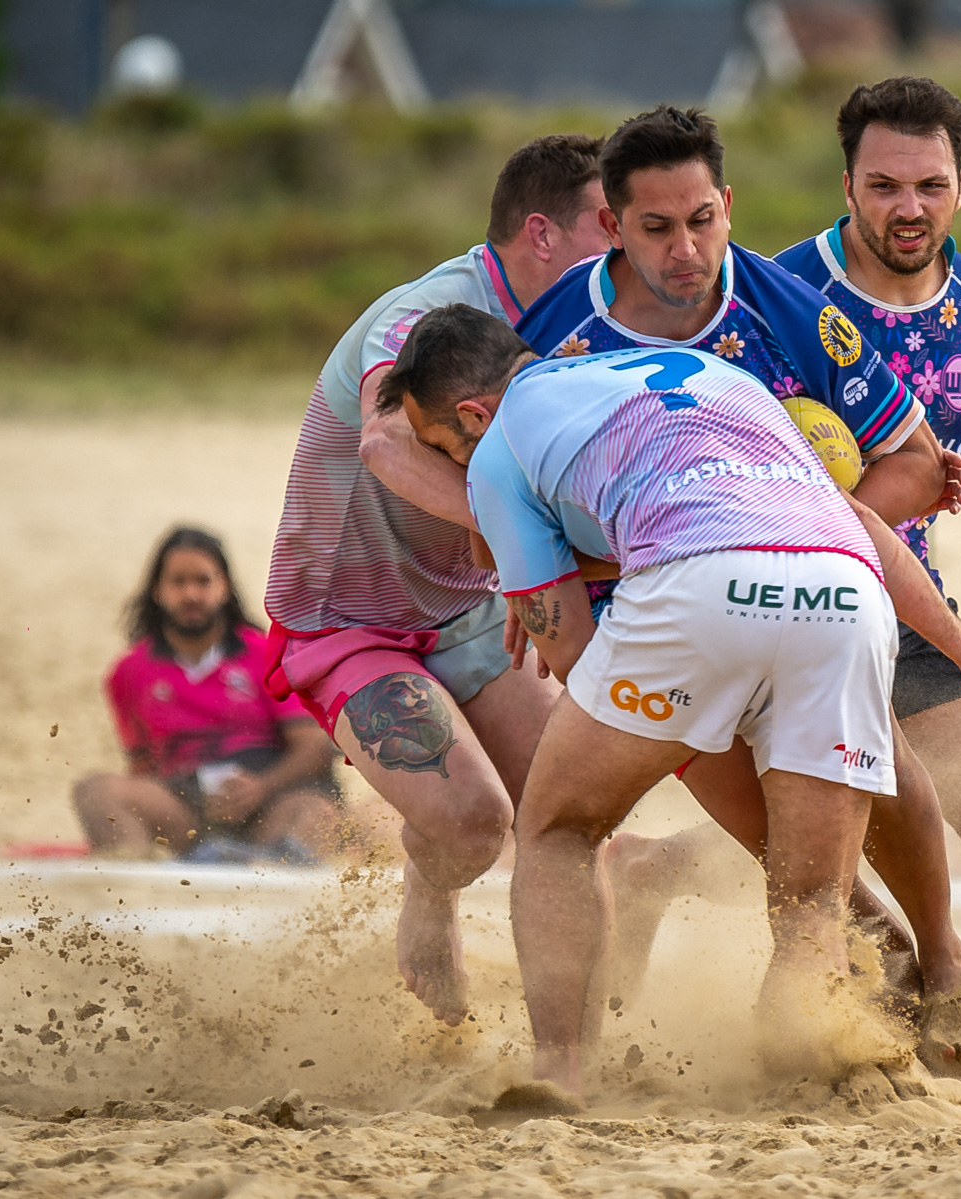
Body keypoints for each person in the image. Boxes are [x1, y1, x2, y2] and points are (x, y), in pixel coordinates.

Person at [376, 304, 961, 1097]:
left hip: (694, 588)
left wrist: (679, 718)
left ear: (472, 412)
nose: (456, 464)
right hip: (843, 587)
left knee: (559, 826)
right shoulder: (721, 378)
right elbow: (857, 524)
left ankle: (559, 1068)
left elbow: (567, 649)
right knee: (812, 903)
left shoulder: (501, 445)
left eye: (444, 447)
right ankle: (865, 1032)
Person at [517, 106, 961, 997]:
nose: (685, 249)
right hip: (658, 620)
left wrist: (797, 518)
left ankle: (948, 966)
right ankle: (881, 984)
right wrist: (535, 582)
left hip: (804, 592)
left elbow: (917, 465)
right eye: (656, 227)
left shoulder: (785, 308)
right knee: (784, 853)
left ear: (728, 205)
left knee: (889, 780)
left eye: (702, 220)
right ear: (611, 225)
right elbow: (504, 479)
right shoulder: (557, 335)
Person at [262, 134, 611, 1026]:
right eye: (607, 226)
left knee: (572, 813)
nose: (624, 249)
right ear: (542, 234)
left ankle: (574, 1048)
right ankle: (430, 884)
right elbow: (383, 442)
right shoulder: (433, 311)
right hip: (348, 614)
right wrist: (523, 541)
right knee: (469, 823)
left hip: (462, 606)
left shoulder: (580, 318)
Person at [774, 75, 961, 941]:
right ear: (848, 187)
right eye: (885, 185)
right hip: (783, 610)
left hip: (911, 608)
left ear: (960, 188)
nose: (910, 208)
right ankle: (650, 874)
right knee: (840, 835)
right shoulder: (784, 294)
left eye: (931, 185)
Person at [74, 527, 342, 862]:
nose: (191, 594)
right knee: (96, 792)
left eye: (202, 581)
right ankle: (136, 883)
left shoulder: (268, 653)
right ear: (157, 591)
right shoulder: (129, 671)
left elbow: (315, 748)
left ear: (225, 587)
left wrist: (260, 788)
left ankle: (265, 863)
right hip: (186, 803)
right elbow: (141, 767)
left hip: (272, 796)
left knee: (314, 813)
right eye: (178, 582)